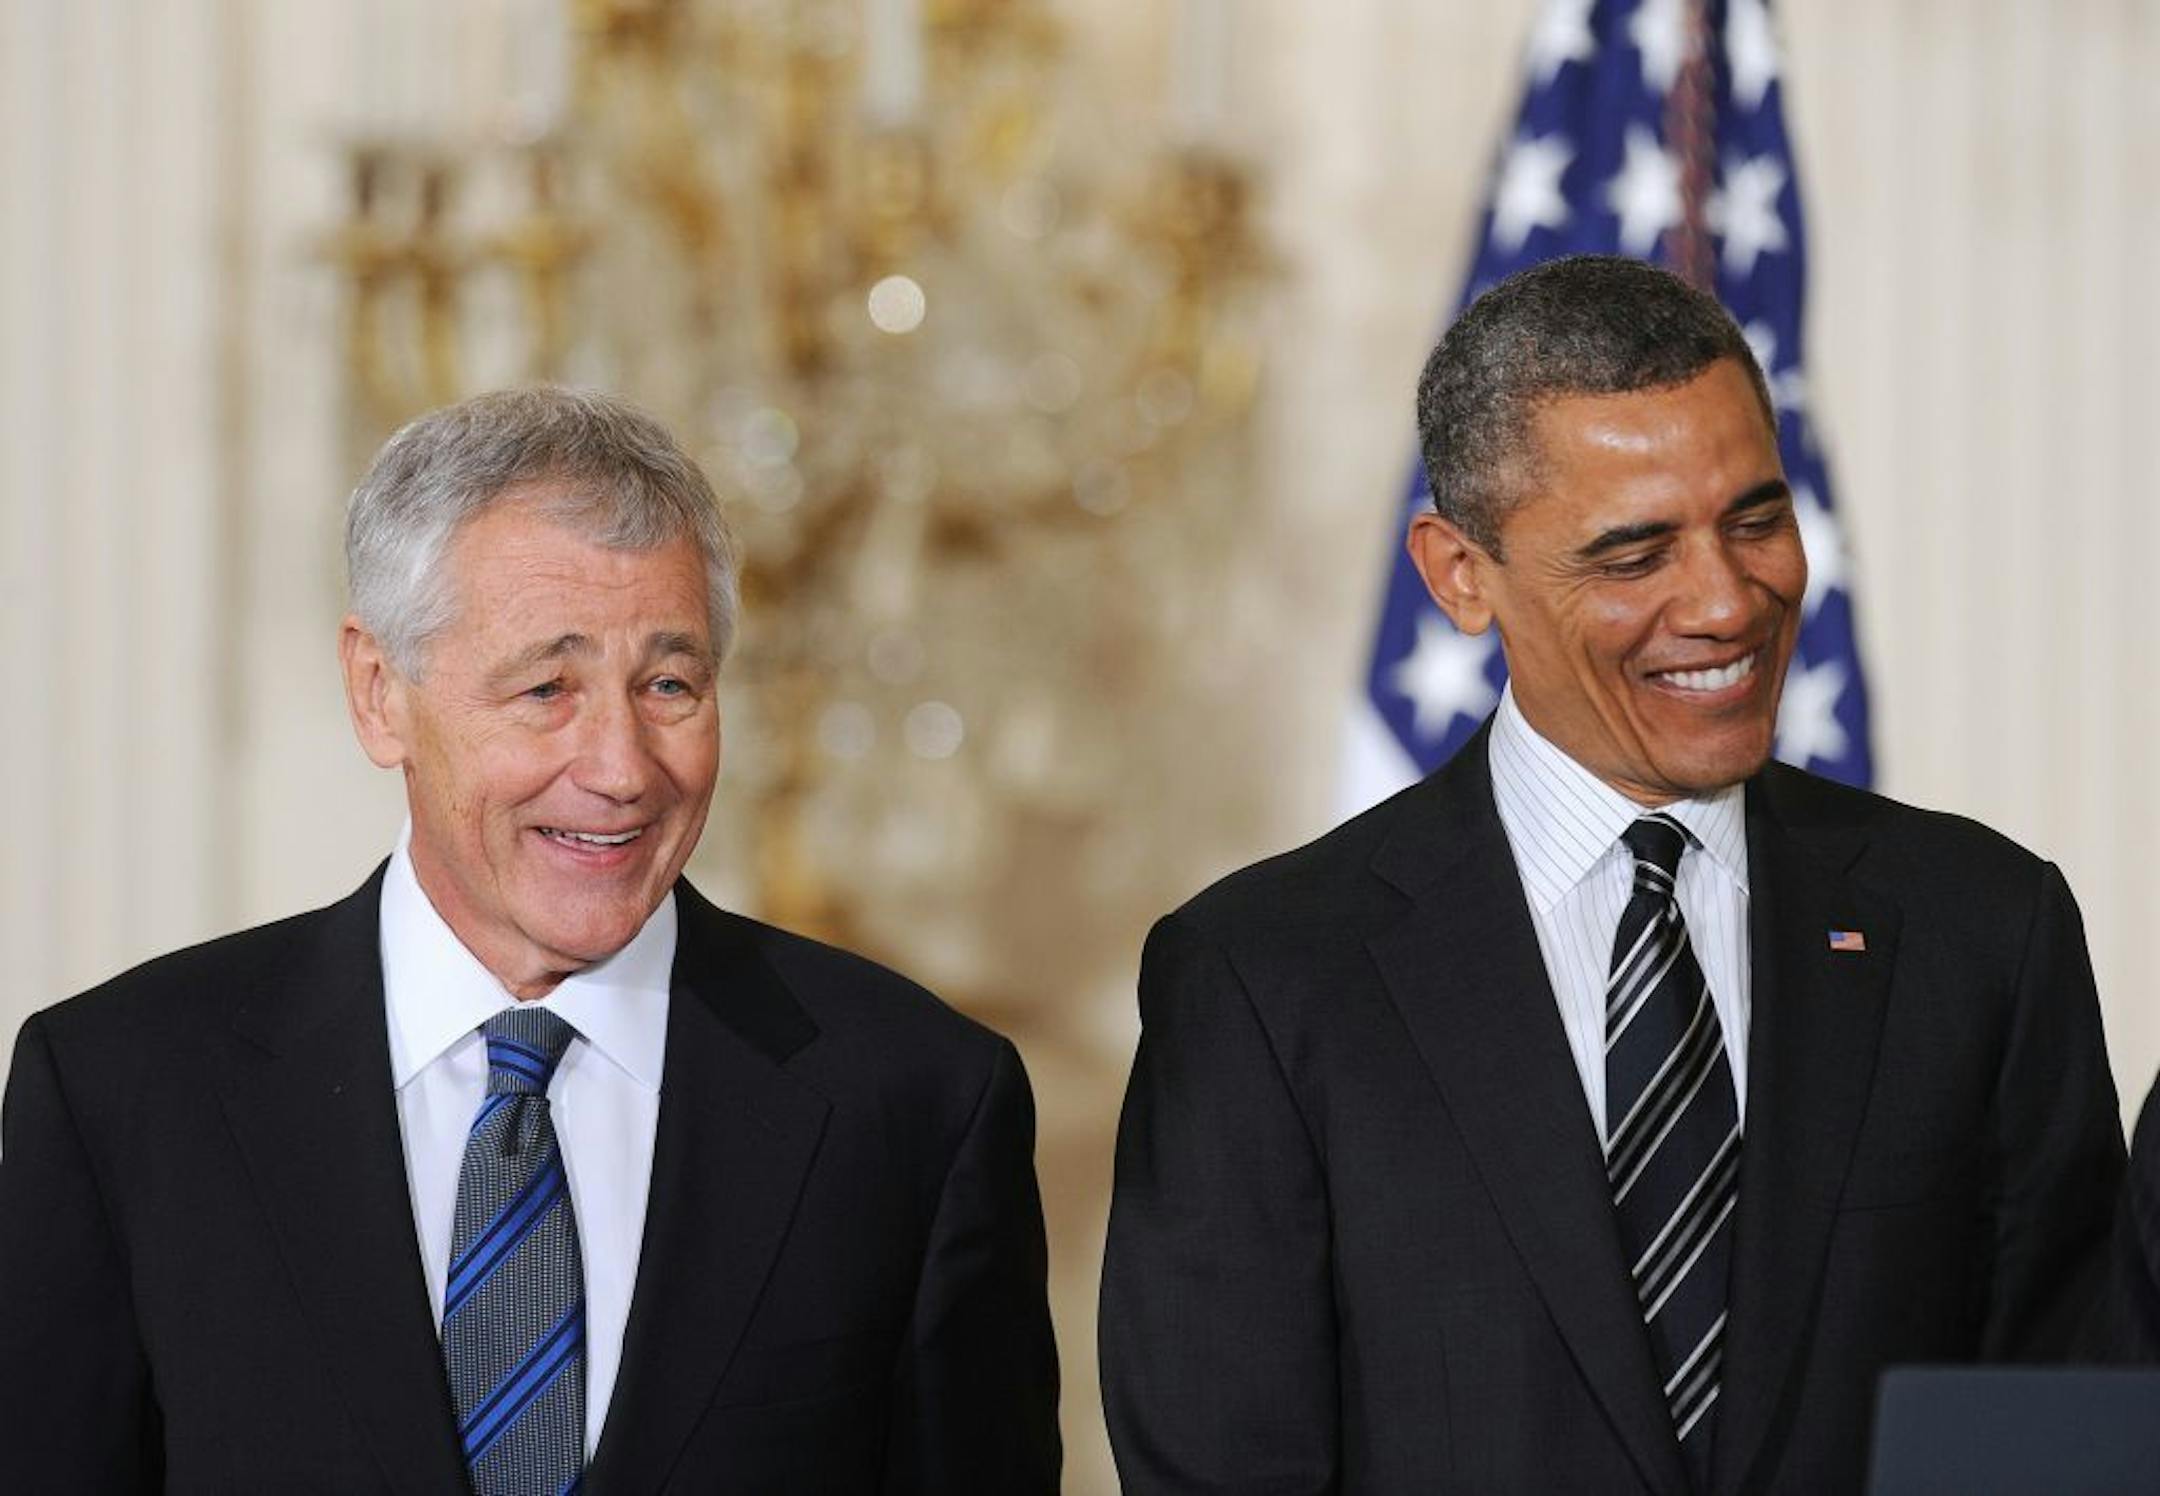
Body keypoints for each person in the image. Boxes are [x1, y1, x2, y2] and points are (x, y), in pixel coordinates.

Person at [1099, 256, 2124, 1494]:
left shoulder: (1982, 929)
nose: (1727, 601)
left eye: (1755, 519)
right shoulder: (1265, 979)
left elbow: (2064, 1428)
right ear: (1459, 574)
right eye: (1634, 555)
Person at [0, 387, 1061, 1493]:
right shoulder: (124, 1091)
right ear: (380, 694)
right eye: (547, 686)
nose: (621, 764)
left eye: (669, 684)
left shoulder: (917, 1099)